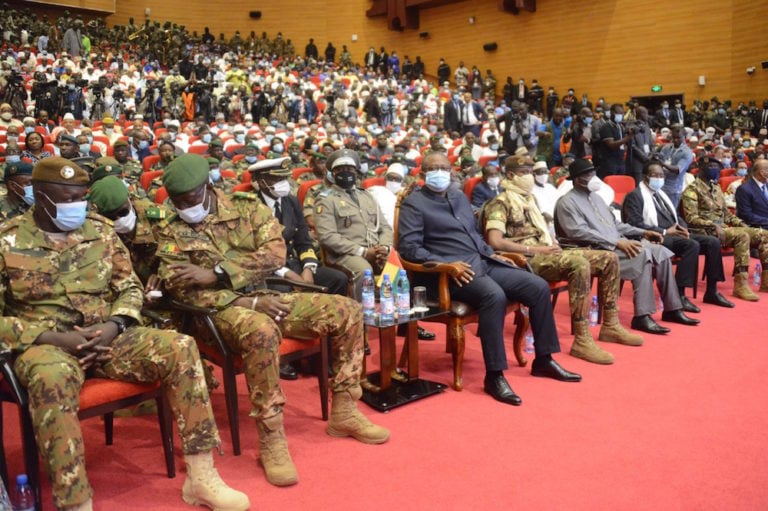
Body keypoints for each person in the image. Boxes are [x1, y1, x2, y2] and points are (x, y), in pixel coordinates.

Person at [0, 157, 249, 511]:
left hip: (108, 335)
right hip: (48, 345)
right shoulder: (7, 241)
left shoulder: (100, 230)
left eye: (80, 197)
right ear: (40, 196)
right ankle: (75, 501)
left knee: (180, 347)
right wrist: (51, 339)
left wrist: (114, 325)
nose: (76, 206)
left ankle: (201, 476)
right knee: (50, 378)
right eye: (66, 198)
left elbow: (129, 288)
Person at [155, 154, 390, 487]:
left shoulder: (246, 208)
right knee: (261, 330)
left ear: (207, 186)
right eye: (176, 201)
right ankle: (271, 437)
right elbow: (181, 289)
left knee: (347, 311)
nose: (183, 207)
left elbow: (275, 253)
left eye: (189, 199)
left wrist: (218, 273)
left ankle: (345, 410)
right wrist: (245, 298)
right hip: (222, 311)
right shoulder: (170, 229)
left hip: (269, 295)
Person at [398, 151, 582, 407]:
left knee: (537, 287)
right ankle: (494, 375)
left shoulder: (458, 196)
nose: (438, 173)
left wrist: (496, 254)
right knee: (493, 295)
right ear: (422, 173)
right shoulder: (414, 203)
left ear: (451, 171)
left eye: (443, 167)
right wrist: (446, 265)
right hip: (449, 272)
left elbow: (474, 237)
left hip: (483, 261)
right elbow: (408, 248)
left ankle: (544, 359)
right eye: (432, 168)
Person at [484, 155, 643, 364]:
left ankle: (610, 325)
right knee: (579, 264)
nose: (530, 177)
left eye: (531, 172)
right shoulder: (500, 202)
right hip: (526, 257)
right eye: (525, 173)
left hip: (547, 252)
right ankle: (582, 339)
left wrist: (549, 247)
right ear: (511, 175)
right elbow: (495, 241)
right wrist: (533, 248)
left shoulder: (529, 199)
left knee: (609, 258)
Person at [555, 158, 700, 334]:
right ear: (577, 179)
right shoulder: (567, 202)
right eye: (588, 174)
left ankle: (672, 309)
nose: (594, 177)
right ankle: (642, 316)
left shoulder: (596, 198)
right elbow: (578, 232)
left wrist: (643, 232)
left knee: (661, 252)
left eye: (593, 173)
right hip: (594, 249)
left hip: (616, 243)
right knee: (641, 255)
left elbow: (616, 225)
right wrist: (616, 242)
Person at [622, 160, 734, 308]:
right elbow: (633, 223)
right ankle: (680, 294)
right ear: (645, 177)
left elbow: (676, 216)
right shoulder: (635, 196)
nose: (659, 178)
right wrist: (664, 231)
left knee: (712, 242)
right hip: (654, 236)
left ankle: (711, 291)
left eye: (661, 175)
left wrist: (683, 228)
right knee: (691, 245)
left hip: (674, 233)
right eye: (655, 175)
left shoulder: (662, 194)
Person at [681, 155, 768, 299]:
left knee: (764, 234)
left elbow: (727, 215)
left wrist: (741, 224)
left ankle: (766, 281)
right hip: (705, 231)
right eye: (710, 168)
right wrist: (712, 225)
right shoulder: (692, 190)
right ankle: (740, 285)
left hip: (723, 229)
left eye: (716, 168)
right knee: (742, 235)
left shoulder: (716, 188)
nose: (714, 171)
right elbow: (691, 218)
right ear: (700, 169)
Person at [315, 149, 393, 298]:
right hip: (346, 255)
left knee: (396, 266)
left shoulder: (367, 195)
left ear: (356, 172)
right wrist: (363, 252)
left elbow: (384, 227)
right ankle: (362, 314)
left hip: (375, 251)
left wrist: (383, 247)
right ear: (333, 174)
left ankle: (393, 311)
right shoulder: (326, 199)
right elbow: (327, 236)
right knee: (364, 271)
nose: (346, 173)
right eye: (340, 170)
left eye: (350, 169)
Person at [658, 127, 695, 207]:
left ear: (684, 137)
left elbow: (678, 170)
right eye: (673, 138)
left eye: (678, 138)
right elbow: (660, 157)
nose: (675, 140)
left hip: (674, 188)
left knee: (670, 214)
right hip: (660, 185)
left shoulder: (687, 152)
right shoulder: (667, 147)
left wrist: (663, 164)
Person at [735, 159, 768, 230]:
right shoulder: (744, 189)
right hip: (758, 227)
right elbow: (746, 215)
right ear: (762, 173)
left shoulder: (766, 185)